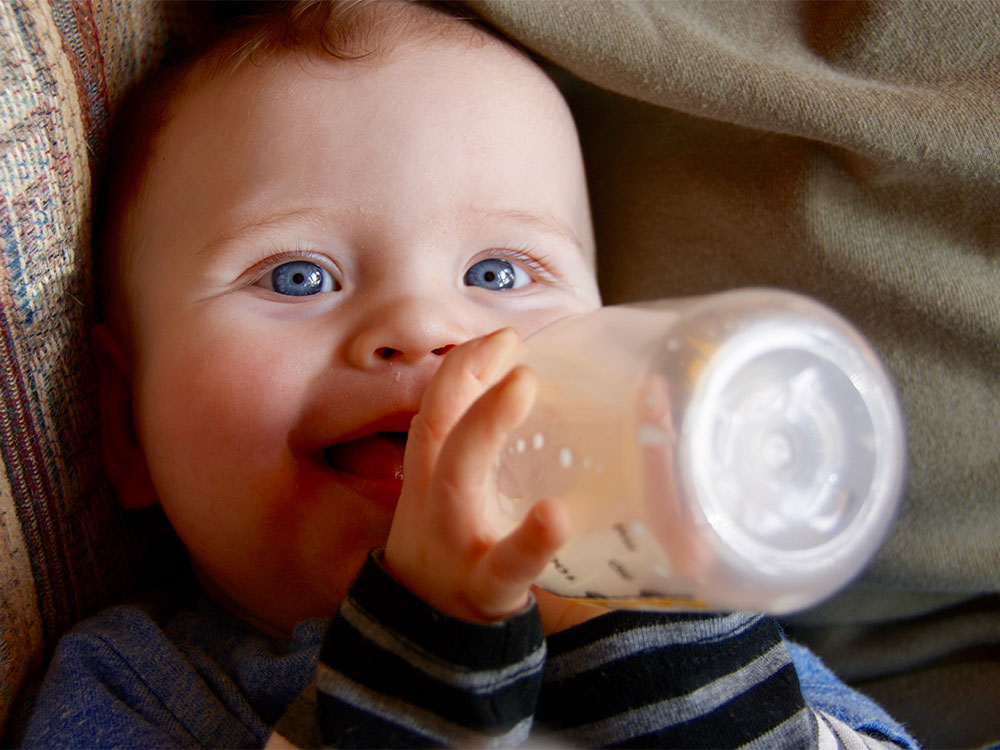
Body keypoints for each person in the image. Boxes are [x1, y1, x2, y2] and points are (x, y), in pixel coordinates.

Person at [22, 1, 917, 747]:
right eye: (298, 276)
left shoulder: (702, 620)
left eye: (497, 274)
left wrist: (651, 626)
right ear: (126, 422)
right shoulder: (136, 687)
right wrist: (421, 642)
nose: (421, 326)